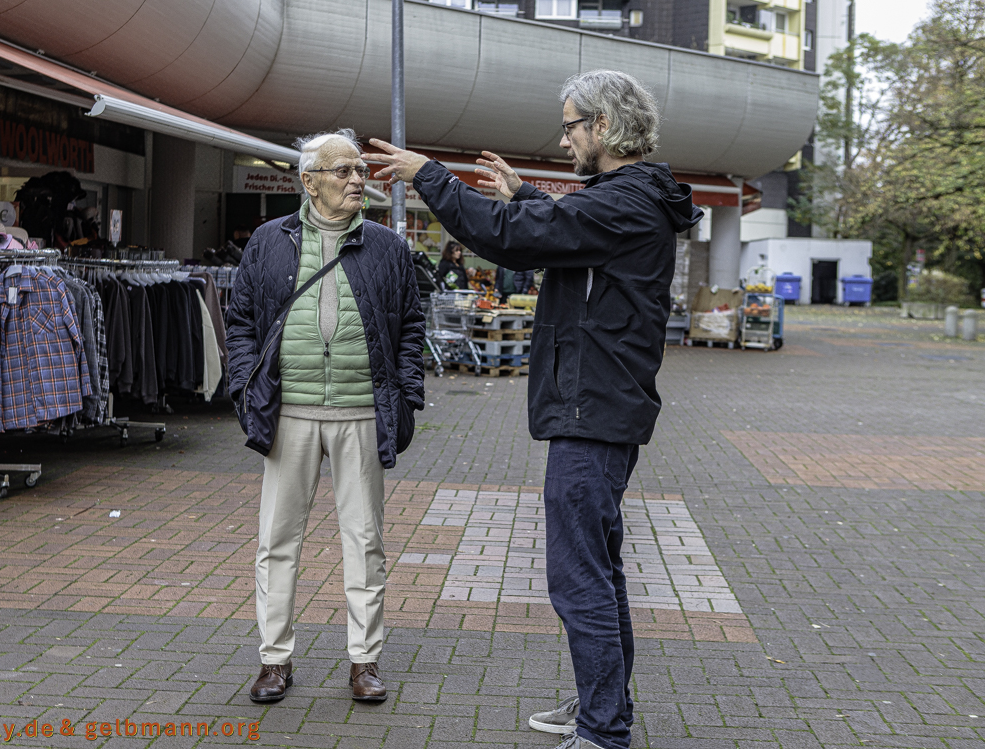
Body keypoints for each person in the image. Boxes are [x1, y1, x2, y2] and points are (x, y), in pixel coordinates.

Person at [368, 69, 703, 749]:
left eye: (572, 124)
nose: (564, 136)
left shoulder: (626, 201)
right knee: (597, 572)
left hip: (595, 411)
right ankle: (599, 704)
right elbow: (560, 229)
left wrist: (431, 175)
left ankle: (604, 729)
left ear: (603, 127)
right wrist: (530, 196)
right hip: (600, 407)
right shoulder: (624, 198)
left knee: (578, 576)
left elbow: (516, 237)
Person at [225, 129, 426, 705]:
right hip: (289, 412)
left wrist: (406, 393)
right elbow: (239, 321)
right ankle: (274, 659)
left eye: (360, 170)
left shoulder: (386, 246)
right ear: (309, 181)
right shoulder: (269, 241)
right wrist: (245, 386)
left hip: (362, 411)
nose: (357, 180)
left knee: (364, 540)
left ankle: (364, 661)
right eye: (343, 171)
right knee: (277, 539)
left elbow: (410, 325)